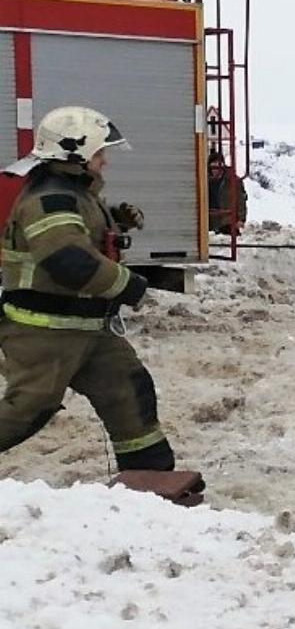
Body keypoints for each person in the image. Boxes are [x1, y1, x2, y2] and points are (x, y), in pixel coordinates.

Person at [0, 106, 175, 471]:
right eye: (98, 153)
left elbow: (82, 231)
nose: (105, 161)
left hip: (88, 329)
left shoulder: (75, 193)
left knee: (129, 391)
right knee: (26, 411)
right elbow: (69, 261)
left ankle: (148, 476)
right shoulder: (49, 199)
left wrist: (117, 219)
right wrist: (129, 285)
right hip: (44, 331)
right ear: (74, 155)